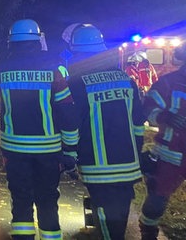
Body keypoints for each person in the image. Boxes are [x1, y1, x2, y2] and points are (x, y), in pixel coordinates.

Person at [0, 19, 74, 240]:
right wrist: (70, 149)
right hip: (49, 150)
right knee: (48, 200)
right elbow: (67, 111)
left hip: (15, 150)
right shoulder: (53, 70)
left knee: (21, 202)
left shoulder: (2, 69)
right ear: (38, 40)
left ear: (11, 43)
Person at [65, 24, 145, 240]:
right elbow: (138, 123)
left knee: (104, 215)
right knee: (120, 210)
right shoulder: (127, 81)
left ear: (77, 53)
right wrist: (136, 151)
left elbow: (73, 125)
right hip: (128, 164)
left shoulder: (77, 83)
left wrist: (69, 154)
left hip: (97, 166)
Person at [138, 42, 186, 240]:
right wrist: (165, 117)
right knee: (157, 199)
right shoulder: (168, 83)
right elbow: (148, 109)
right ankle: (148, 234)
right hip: (170, 154)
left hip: (172, 154)